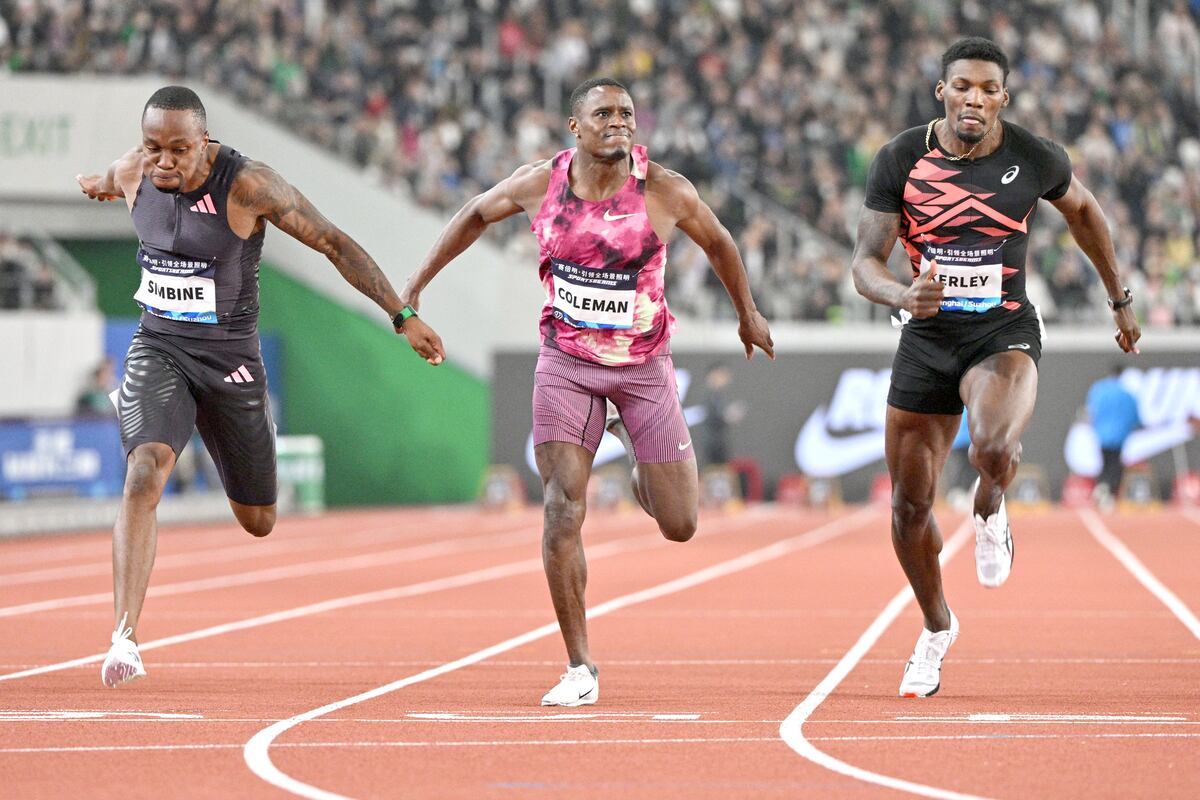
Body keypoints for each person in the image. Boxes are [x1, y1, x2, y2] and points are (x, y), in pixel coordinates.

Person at [400, 77, 774, 706]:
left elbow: (721, 242)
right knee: (561, 507)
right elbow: (471, 215)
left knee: (680, 524)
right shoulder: (538, 183)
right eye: (603, 113)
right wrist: (415, 286)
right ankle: (580, 665)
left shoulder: (665, 190)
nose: (619, 122)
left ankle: (639, 471)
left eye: (627, 112)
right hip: (566, 362)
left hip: (643, 365)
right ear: (574, 126)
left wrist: (748, 312)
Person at [76, 85, 443, 688]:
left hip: (230, 363)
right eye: (152, 148)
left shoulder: (248, 185)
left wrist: (402, 316)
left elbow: (333, 243)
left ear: (205, 141)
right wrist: (98, 181)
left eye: (179, 150)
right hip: (158, 347)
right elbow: (113, 179)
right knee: (145, 471)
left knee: (259, 519)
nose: (164, 162)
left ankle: (246, 436)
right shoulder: (135, 170)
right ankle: (124, 637)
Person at [849, 38, 1141, 698]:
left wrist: (1118, 299)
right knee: (907, 508)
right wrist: (901, 293)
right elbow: (865, 262)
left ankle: (991, 506)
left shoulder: (1033, 157)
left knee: (991, 445)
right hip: (926, 334)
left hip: (1003, 331)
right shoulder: (901, 158)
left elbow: (1087, 213)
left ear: (1003, 97)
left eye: (987, 89)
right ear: (942, 92)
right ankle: (936, 627)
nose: (974, 99)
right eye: (962, 87)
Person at [1086, 365, 1141, 505]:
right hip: (1119, 435)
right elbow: (1134, 415)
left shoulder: (1099, 390)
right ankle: (1107, 490)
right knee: (1115, 464)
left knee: (1105, 463)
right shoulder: (1126, 393)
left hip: (1102, 434)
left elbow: (1092, 412)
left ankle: (1103, 486)